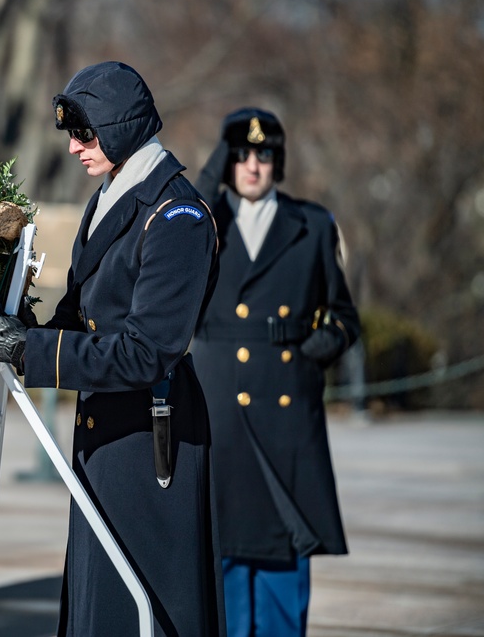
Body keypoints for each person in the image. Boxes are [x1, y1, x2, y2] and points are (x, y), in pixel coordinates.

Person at [0, 61, 224, 636]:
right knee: (98, 601)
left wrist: (26, 351)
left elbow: (146, 351)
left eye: (85, 133)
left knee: (144, 603)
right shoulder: (113, 194)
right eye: (70, 134)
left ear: (122, 127)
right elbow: (78, 313)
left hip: (149, 436)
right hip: (104, 433)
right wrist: (11, 324)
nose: (73, 148)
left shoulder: (176, 214)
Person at [192, 107, 360, 637]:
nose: (251, 165)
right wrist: (213, 164)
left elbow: (343, 315)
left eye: (263, 155)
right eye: (239, 154)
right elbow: (190, 204)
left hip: (287, 414)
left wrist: (308, 357)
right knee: (221, 560)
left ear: (277, 162)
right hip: (218, 413)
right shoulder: (202, 222)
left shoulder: (311, 225)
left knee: (284, 562)